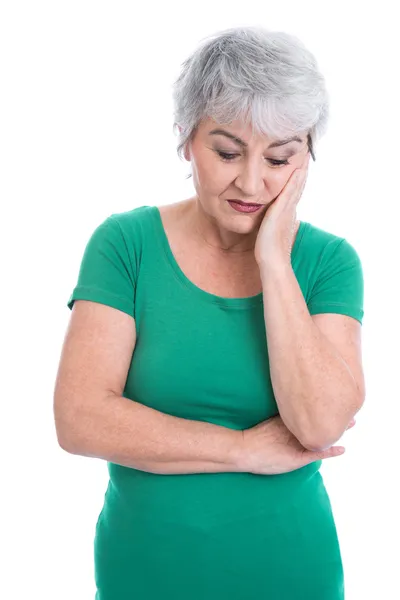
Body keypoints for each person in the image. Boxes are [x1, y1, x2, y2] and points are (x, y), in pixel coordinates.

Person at [54, 25, 365, 600]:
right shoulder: (125, 244)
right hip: (143, 577)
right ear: (185, 138)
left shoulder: (328, 261)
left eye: (279, 158)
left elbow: (320, 423)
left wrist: (273, 259)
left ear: (307, 157)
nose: (251, 181)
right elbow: (79, 419)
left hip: (291, 576)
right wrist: (243, 448)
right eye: (227, 152)